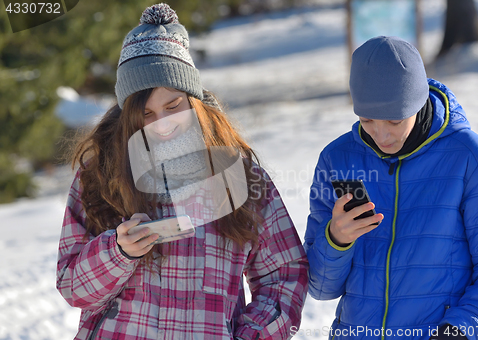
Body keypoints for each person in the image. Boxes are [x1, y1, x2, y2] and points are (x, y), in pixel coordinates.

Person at [56, 4, 308, 340]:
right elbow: (73, 288)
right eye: (146, 113)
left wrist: (251, 335)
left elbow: (285, 275)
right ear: (127, 115)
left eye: (173, 106)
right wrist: (118, 252)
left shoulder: (239, 177)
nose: (162, 125)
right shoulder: (100, 174)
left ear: (195, 101)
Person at [304, 36, 478, 340]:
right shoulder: (337, 159)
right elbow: (319, 287)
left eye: (395, 120)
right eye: (367, 119)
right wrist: (335, 240)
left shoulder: (473, 160)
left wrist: (458, 333)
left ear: (417, 102)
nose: (381, 134)